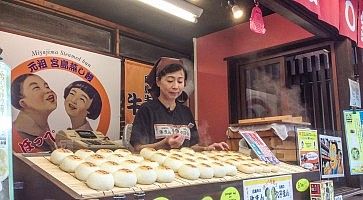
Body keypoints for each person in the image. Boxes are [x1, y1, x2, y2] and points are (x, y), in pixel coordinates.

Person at [130, 57, 229, 152]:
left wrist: (206, 149)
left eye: (180, 81)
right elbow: (137, 148)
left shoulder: (185, 111)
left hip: (182, 166)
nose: (175, 86)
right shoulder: (147, 110)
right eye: (170, 81)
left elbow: (190, 147)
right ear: (158, 81)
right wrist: (164, 144)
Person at [11, 73, 57, 153]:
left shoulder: (43, 128)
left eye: (46, 86)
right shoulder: (16, 135)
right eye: (36, 88)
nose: (48, 90)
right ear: (23, 103)